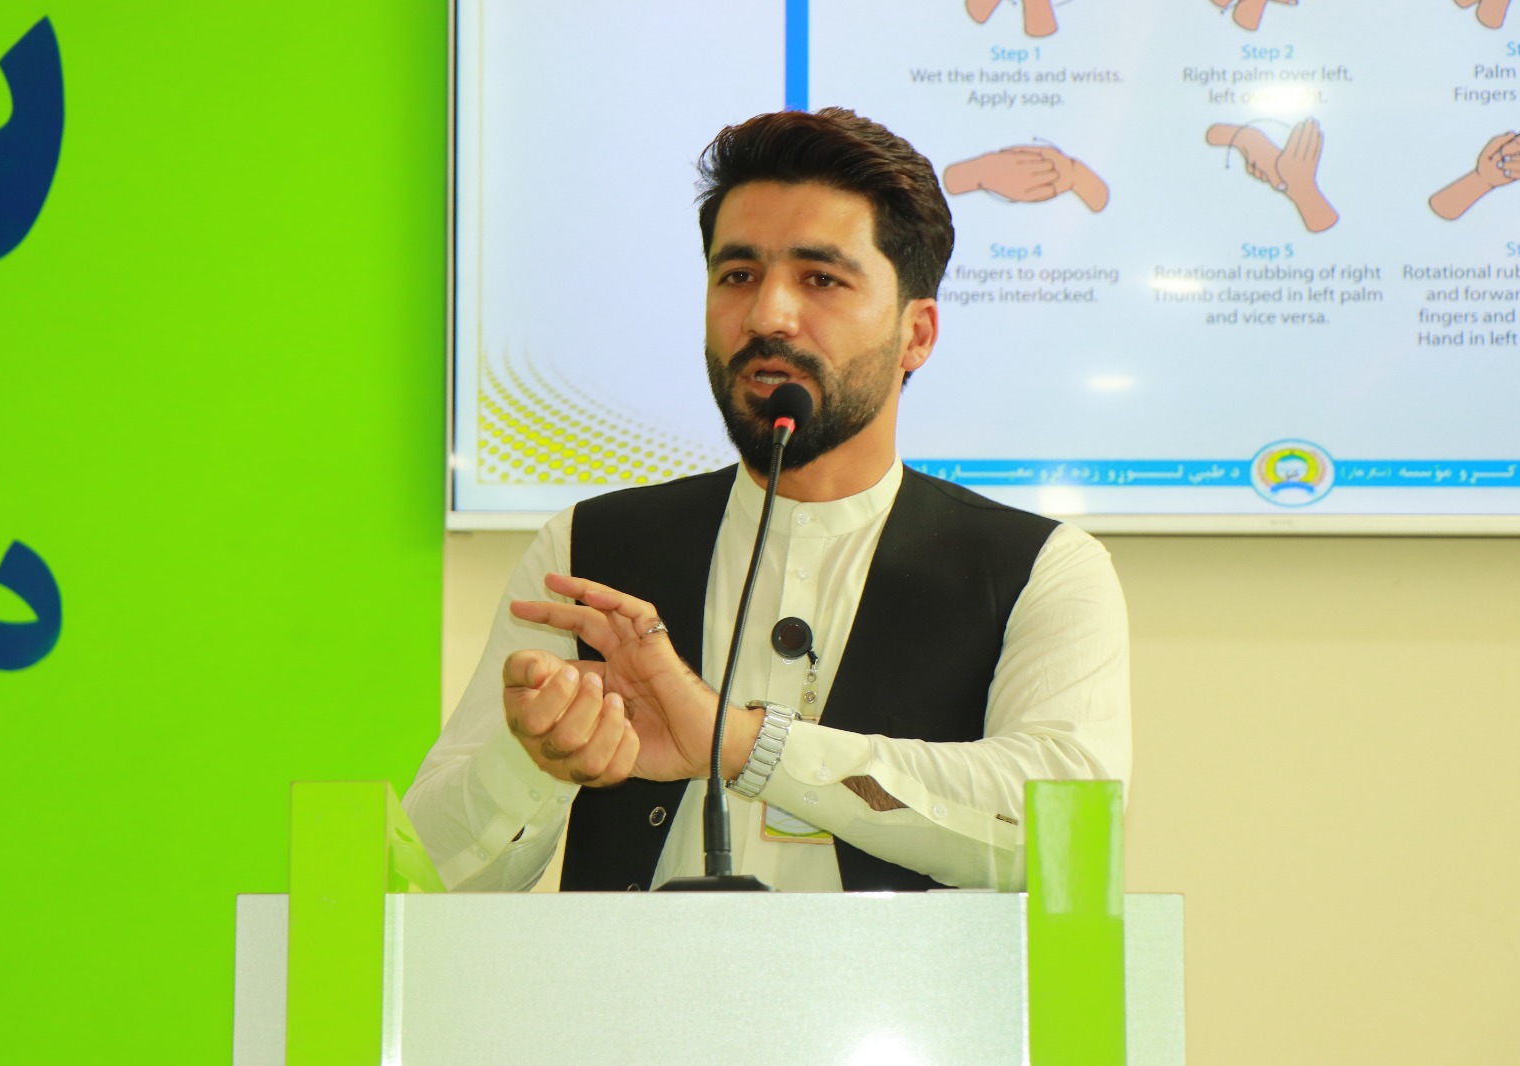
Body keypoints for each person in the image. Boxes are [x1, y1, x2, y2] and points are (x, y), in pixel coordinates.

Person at [405, 107, 1130, 893]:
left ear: (917, 334)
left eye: (821, 279)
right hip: (630, 979)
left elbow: (1064, 831)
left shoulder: (1038, 569)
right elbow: (427, 882)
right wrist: (533, 762)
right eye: (738, 275)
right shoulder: (588, 551)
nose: (765, 316)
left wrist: (742, 745)